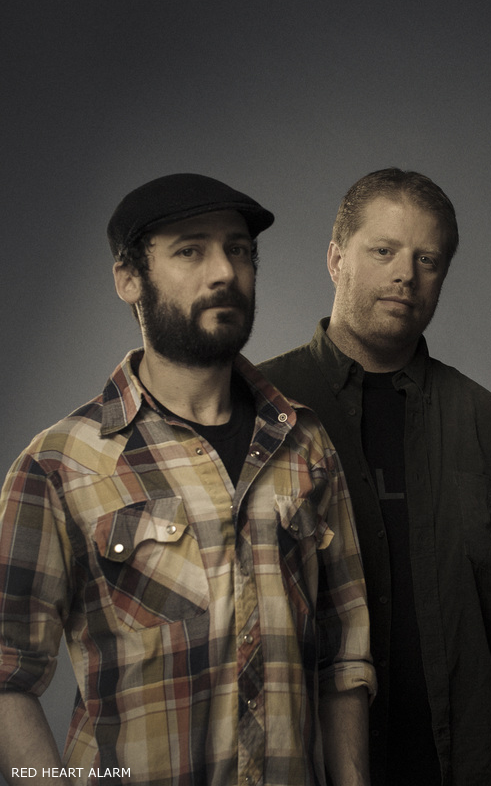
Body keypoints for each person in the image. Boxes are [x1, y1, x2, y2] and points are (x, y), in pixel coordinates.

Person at [0, 174, 375, 785]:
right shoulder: (58, 465)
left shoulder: (306, 445)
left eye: (239, 250)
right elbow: (5, 673)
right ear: (129, 279)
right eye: (191, 250)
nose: (224, 272)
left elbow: (345, 658)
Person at [259, 168, 491, 786]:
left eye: (427, 259)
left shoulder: (485, 422)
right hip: (302, 766)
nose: (407, 274)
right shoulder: (261, 409)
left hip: (465, 766)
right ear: (336, 259)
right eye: (384, 251)